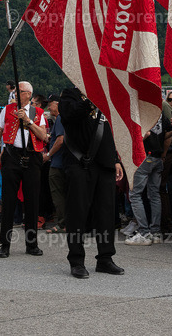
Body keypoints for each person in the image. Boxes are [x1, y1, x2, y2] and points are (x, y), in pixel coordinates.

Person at [58, 87, 124, 278]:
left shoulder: (103, 93)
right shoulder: (69, 95)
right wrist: (90, 101)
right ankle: (76, 260)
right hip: (78, 163)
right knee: (77, 214)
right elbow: (69, 115)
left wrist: (115, 159)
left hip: (104, 164)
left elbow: (107, 131)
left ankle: (105, 258)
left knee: (106, 214)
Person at [0, 80, 47, 258]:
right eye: (15, 91)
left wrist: (28, 121)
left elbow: (43, 136)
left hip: (32, 157)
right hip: (12, 156)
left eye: (19, 91)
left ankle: (32, 244)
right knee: (8, 200)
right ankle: (4, 244)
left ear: (28, 94)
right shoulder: (7, 109)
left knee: (31, 201)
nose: (15, 94)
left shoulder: (38, 112)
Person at [125, 99, 172, 246]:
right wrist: (163, 153)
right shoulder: (158, 113)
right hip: (157, 157)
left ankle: (144, 232)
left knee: (135, 194)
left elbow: (143, 135)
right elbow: (170, 132)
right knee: (154, 194)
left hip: (144, 156)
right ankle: (155, 232)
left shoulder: (140, 114)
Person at [43, 94, 67, 234]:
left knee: (58, 194)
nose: (48, 107)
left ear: (58, 104)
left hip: (58, 163)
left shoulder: (60, 118)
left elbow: (60, 140)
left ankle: (62, 224)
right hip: (64, 162)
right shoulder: (65, 118)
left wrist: (48, 155)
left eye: (50, 104)